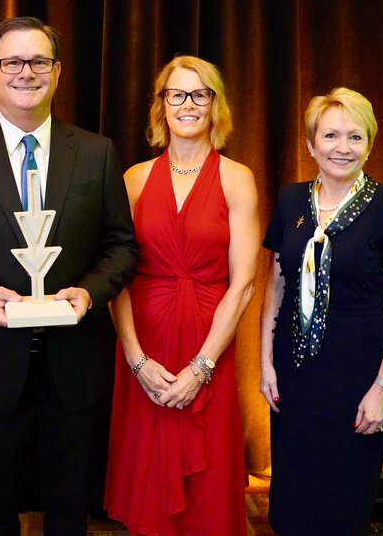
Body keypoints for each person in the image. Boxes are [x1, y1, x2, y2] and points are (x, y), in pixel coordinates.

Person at [0, 16, 137, 536]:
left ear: (57, 73)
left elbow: (121, 245)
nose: (25, 73)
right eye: (12, 61)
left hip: (75, 365)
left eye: (38, 61)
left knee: (69, 506)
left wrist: (91, 292)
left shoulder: (97, 153)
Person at [104, 56, 259, 535]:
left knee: (206, 482)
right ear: (161, 106)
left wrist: (202, 366)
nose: (187, 104)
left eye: (199, 94)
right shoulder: (132, 179)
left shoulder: (238, 178)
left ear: (215, 105)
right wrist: (136, 360)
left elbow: (244, 282)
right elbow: (115, 277)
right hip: (143, 348)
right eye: (176, 94)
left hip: (207, 347)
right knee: (147, 479)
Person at [260, 87, 383, 535]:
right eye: (331, 135)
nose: (342, 148)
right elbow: (275, 285)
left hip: (358, 375)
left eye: (355, 136)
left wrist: (381, 388)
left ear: (370, 143)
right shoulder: (290, 200)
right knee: (292, 499)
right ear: (311, 144)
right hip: (293, 374)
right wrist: (265, 364)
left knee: (343, 502)